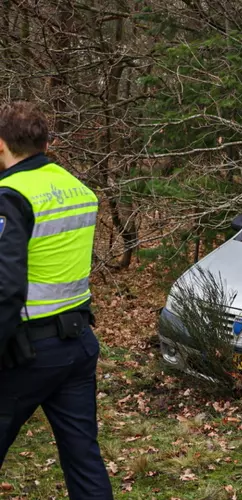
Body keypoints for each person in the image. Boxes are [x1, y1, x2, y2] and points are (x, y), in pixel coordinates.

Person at [0, 101, 113, 499]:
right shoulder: (75, 188)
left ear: (2, 146)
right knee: (83, 459)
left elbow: (6, 287)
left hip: (27, 352)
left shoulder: (10, 195)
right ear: (45, 141)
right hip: (77, 344)